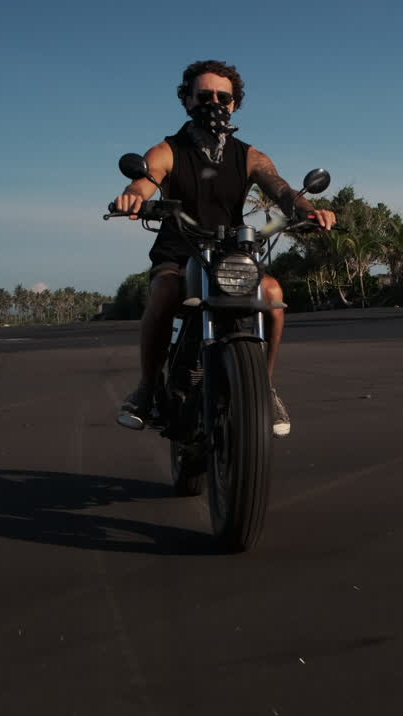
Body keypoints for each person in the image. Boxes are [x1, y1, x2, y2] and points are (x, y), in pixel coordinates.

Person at [112, 59, 335, 438]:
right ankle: (147, 389)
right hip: (179, 252)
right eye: (204, 97)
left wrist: (308, 211)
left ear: (235, 104)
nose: (214, 103)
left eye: (223, 97)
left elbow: (281, 190)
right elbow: (144, 182)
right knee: (165, 289)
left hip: (231, 254)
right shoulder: (168, 150)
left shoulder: (250, 156)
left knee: (273, 293)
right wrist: (133, 196)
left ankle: (264, 387)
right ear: (187, 101)